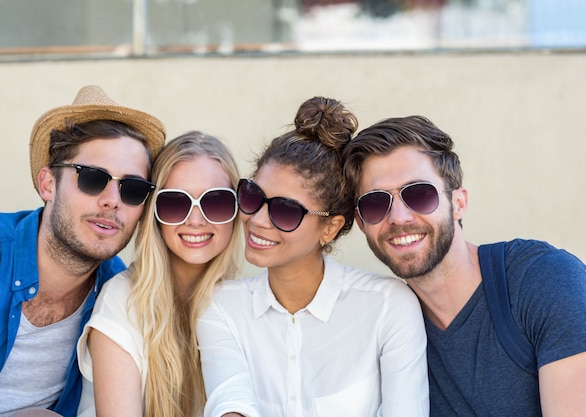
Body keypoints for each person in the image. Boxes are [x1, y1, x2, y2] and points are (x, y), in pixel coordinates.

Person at [197, 97, 429, 417]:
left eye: (285, 210)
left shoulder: (388, 306)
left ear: (330, 228)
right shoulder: (221, 307)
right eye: (253, 196)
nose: (259, 220)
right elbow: (230, 401)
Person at [342, 115, 586, 416]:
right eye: (376, 203)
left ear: (459, 203)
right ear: (362, 223)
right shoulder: (389, 332)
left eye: (419, 194)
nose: (399, 218)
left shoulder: (543, 280)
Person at [0, 85, 166, 417]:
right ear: (48, 184)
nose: (112, 200)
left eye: (133, 188)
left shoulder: (120, 297)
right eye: (94, 179)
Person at [76, 131, 242, 417]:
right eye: (176, 203)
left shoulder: (241, 304)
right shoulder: (122, 300)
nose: (196, 221)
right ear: (154, 213)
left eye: (215, 202)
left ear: (236, 211)